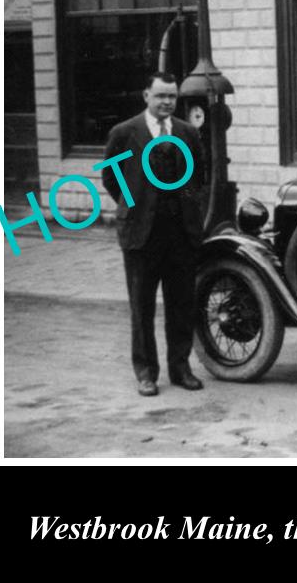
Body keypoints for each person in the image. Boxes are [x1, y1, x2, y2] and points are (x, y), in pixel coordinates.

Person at [101, 72, 207, 397]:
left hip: (180, 234)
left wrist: (188, 213)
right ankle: (146, 372)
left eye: (172, 97)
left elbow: (199, 176)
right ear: (146, 95)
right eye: (160, 96)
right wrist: (136, 205)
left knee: (181, 304)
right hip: (141, 236)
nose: (166, 102)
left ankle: (181, 368)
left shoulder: (188, 134)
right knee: (142, 307)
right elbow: (111, 177)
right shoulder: (124, 133)